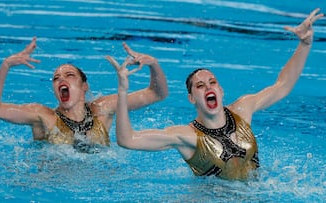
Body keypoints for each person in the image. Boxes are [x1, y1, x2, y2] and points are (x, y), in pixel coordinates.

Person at [108, 8, 323, 179]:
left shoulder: (243, 110)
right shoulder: (186, 136)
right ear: (191, 98)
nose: (208, 87)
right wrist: (123, 90)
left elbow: (283, 86)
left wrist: (304, 44)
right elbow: (127, 140)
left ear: (221, 90)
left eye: (212, 82)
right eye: (200, 86)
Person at [0, 38, 168, 153]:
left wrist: (154, 64)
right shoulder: (43, 116)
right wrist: (5, 66)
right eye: (56, 78)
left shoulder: (102, 109)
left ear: (84, 86)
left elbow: (157, 94)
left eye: (69, 75)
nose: (61, 79)